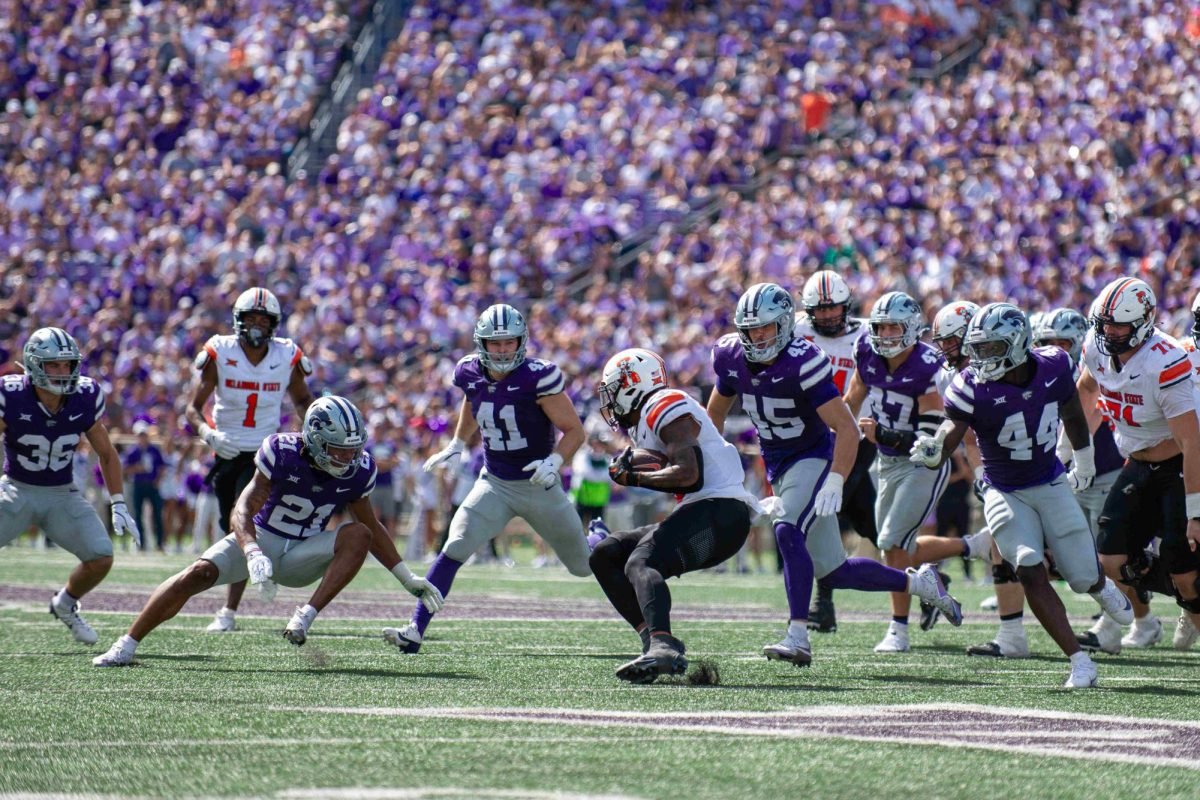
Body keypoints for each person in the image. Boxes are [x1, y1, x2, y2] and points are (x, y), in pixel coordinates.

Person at [707, 283, 962, 666]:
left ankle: (797, 635)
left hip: (811, 455)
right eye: (750, 329)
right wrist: (714, 465)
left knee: (787, 528)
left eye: (765, 328)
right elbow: (715, 415)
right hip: (777, 461)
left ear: (784, 326)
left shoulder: (803, 360)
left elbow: (845, 426)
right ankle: (921, 584)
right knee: (835, 569)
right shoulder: (730, 356)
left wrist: (836, 477)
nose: (757, 337)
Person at [93, 397, 442, 666]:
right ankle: (126, 644)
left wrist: (405, 576)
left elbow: (371, 525)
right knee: (195, 574)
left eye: (354, 449)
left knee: (358, 534)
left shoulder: (358, 470)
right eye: (340, 449)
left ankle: (305, 616)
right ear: (316, 440)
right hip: (264, 537)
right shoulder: (281, 451)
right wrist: (252, 551)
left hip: (305, 552)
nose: (349, 458)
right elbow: (243, 509)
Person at [916, 302, 1134, 688]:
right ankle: (1079, 660)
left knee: (1082, 575)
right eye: (976, 348)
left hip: (1049, 481)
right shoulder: (969, 384)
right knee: (1029, 566)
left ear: (1016, 344)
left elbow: (1072, 411)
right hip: (1003, 489)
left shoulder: (1053, 364)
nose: (979, 357)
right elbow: (954, 427)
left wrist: (1082, 461)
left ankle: (1101, 588)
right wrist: (935, 448)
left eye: (989, 348)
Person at [383, 304, 591, 653]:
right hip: (495, 482)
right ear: (482, 344)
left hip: (539, 485)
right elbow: (472, 399)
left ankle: (597, 539)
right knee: (455, 546)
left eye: (509, 342)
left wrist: (555, 461)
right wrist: (457, 443)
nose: (502, 349)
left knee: (583, 566)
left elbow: (574, 431)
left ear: (521, 341)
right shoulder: (468, 371)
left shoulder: (539, 376)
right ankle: (415, 629)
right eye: (495, 343)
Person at [589, 348, 760, 682]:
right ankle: (652, 642)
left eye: (614, 390)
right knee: (606, 553)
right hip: (705, 510)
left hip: (722, 511)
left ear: (632, 384)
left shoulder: (664, 403)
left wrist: (634, 477)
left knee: (641, 562)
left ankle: (663, 645)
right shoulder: (645, 421)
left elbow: (689, 474)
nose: (610, 401)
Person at [844, 292, 986, 653]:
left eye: (894, 326)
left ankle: (898, 630)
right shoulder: (866, 351)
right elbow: (851, 401)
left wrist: (882, 433)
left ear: (911, 329)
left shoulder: (928, 365)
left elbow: (930, 436)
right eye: (881, 326)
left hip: (923, 462)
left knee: (892, 543)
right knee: (894, 545)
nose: (886, 334)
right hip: (886, 461)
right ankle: (971, 547)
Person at [1076, 278, 1200, 654]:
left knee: (1185, 568)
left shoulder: (1166, 360)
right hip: (1139, 462)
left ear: (1144, 321)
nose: (1109, 333)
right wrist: (1077, 457)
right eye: (1105, 324)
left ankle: (1186, 588)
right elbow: (1085, 390)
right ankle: (1179, 596)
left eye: (1119, 325)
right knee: (1110, 558)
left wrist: (1196, 510)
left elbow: (1190, 442)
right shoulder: (1098, 350)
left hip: (1180, 465)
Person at [186, 287, 314, 633]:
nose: (257, 325)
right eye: (251, 318)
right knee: (229, 528)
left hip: (265, 454)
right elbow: (193, 408)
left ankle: (229, 610)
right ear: (238, 321)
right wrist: (209, 434)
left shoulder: (287, 355)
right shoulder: (221, 351)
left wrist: (307, 435)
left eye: (264, 319)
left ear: (274, 324)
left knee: (242, 523)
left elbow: (304, 402)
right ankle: (255, 574)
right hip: (226, 451)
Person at [0, 327, 140, 644]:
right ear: (35, 365)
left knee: (102, 556)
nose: (63, 372)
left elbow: (106, 452)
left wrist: (117, 502)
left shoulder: (85, 395)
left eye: (68, 365)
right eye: (54, 365)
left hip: (61, 494)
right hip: (16, 490)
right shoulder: (11, 393)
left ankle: (64, 604)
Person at [795, 270, 879, 633]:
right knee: (873, 525)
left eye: (834, 309)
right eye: (821, 310)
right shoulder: (795, 330)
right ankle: (927, 575)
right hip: (813, 437)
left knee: (823, 514)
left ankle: (822, 604)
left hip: (854, 439)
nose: (828, 315)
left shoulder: (868, 334)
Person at [123, 420, 166, 551]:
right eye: (140, 435)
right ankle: (141, 543)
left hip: (152, 485)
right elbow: (125, 469)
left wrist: (158, 480)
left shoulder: (154, 450)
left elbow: (162, 467)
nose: (142, 437)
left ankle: (160, 543)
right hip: (138, 485)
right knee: (138, 514)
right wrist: (137, 468)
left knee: (158, 515)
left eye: (144, 434)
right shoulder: (133, 451)